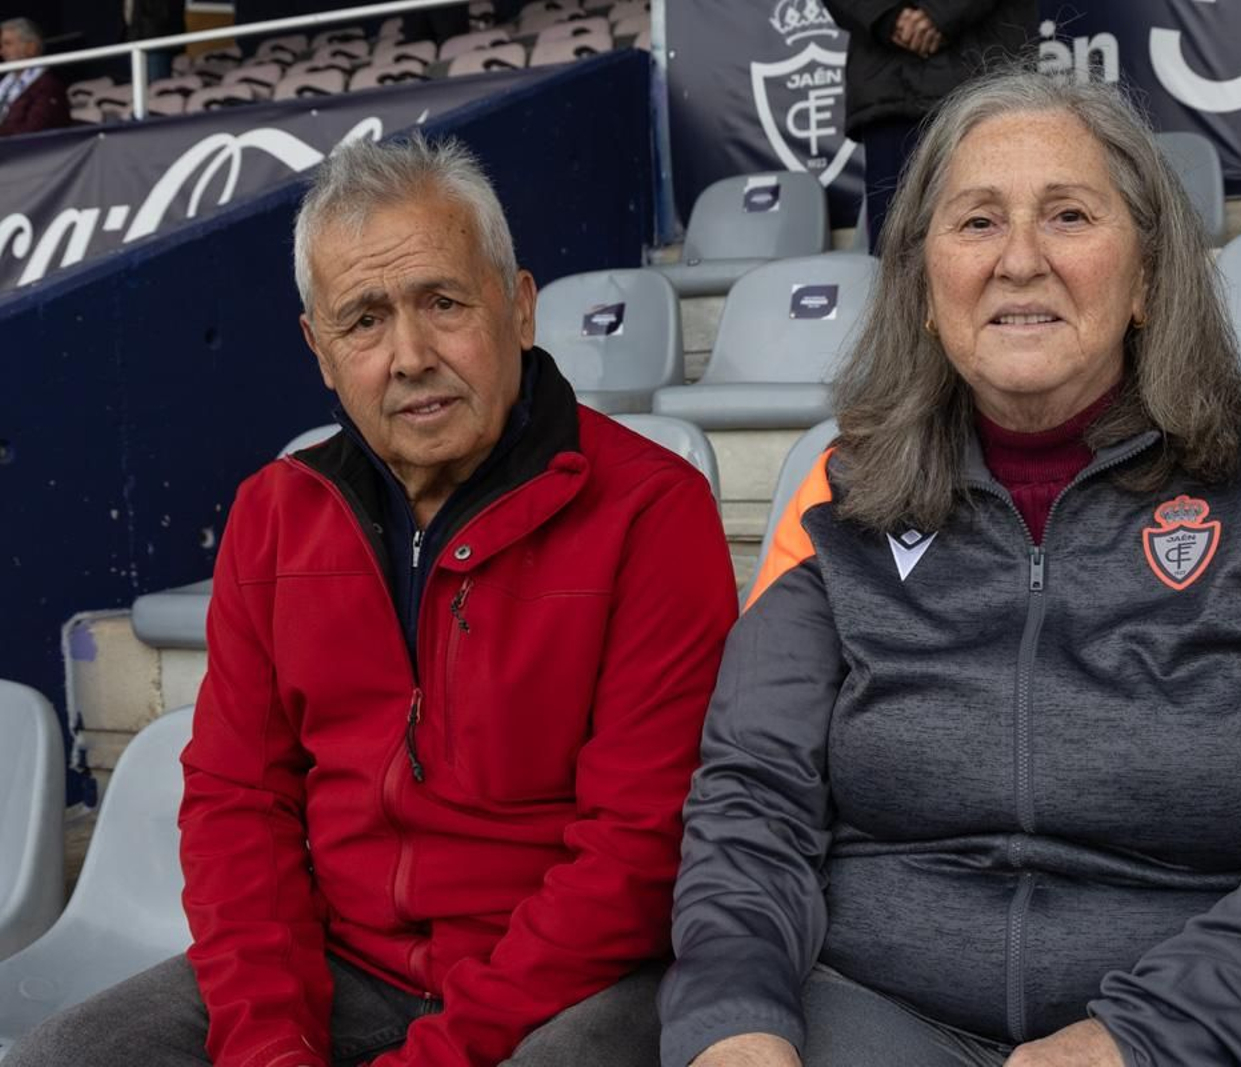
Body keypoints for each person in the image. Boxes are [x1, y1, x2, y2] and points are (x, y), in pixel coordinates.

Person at [659, 69, 1241, 1067]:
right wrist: (736, 1019)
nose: (1019, 261)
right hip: (886, 1012)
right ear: (924, 284)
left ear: (1144, 276)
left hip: (1233, 1027)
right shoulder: (841, 493)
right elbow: (753, 795)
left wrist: (1142, 1036)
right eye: (974, 223)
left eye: (1068, 215)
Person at [9, 134, 739, 1067]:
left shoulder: (648, 506)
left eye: (443, 302)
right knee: (62, 1057)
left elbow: (637, 852)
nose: (410, 354)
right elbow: (240, 807)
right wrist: (271, 1045)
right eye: (364, 320)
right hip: (344, 965)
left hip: (571, 982)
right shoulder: (274, 513)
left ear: (517, 308)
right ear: (320, 351)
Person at [820, 0, 1033, 253]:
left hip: (988, 81)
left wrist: (938, 12)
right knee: (895, 254)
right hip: (889, 93)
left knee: (997, 239)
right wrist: (890, 17)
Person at [0, 18, 70, 137]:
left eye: (8, 44)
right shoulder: (6, 83)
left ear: (31, 47)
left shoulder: (47, 86)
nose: (2, 52)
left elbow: (31, 133)